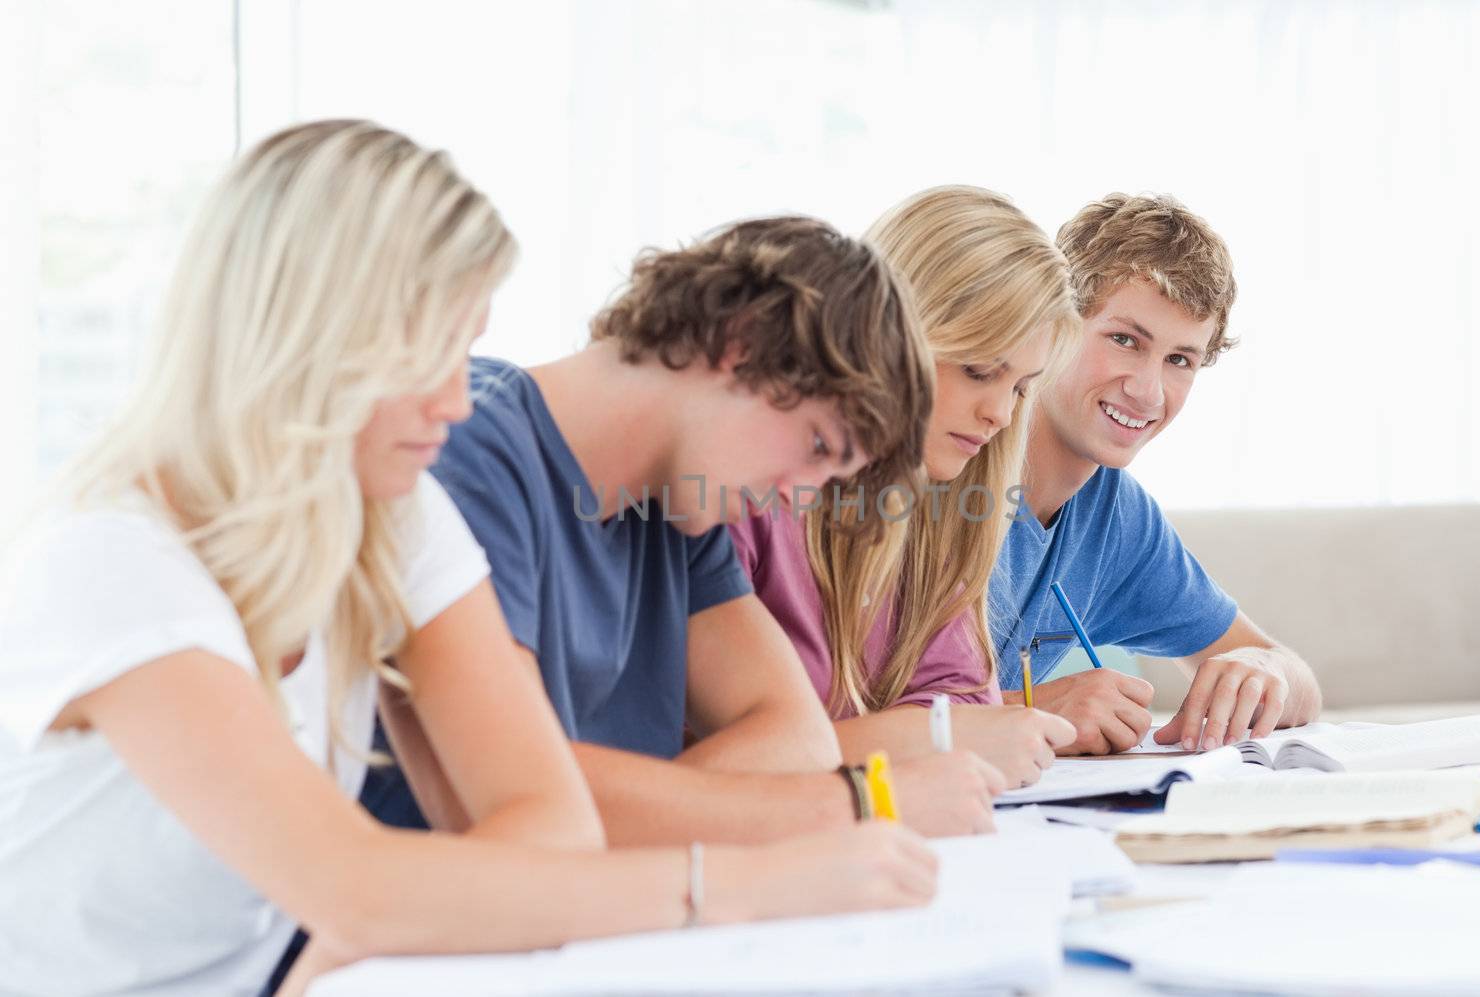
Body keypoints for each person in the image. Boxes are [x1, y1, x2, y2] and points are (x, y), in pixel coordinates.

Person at [0, 120, 937, 997]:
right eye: (432, 353)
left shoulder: (393, 519)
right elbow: (355, 888)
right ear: (312, 335)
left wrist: (369, 922)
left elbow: (552, 826)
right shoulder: (113, 561)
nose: (455, 401)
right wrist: (744, 876)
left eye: (470, 350)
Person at [368, 212, 1006, 846]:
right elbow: (498, 800)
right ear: (741, 343)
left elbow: (796, 735)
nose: (797, 497)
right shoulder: (461, 450)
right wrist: (862, 805)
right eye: (816, 444)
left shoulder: (679, 509)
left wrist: (634, 814)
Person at [730, 186, 1080, 789]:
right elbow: (721, 759)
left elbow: (969, 709)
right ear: (892, 331)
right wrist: (926, 736)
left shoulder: (940, 508)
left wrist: (930, 733)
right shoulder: (753, 489)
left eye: (1021, 387)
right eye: (978, 370)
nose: (1000, 414)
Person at [989, 192, 1322, 755]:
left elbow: (1299, 682)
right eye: (1125, 340)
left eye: (1179, 361)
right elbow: (844, 713)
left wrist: (1262, 669)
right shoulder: (952, 462)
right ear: (1052, 326)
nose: (1148, 391)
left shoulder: (1117, 517)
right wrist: (1031, 710)